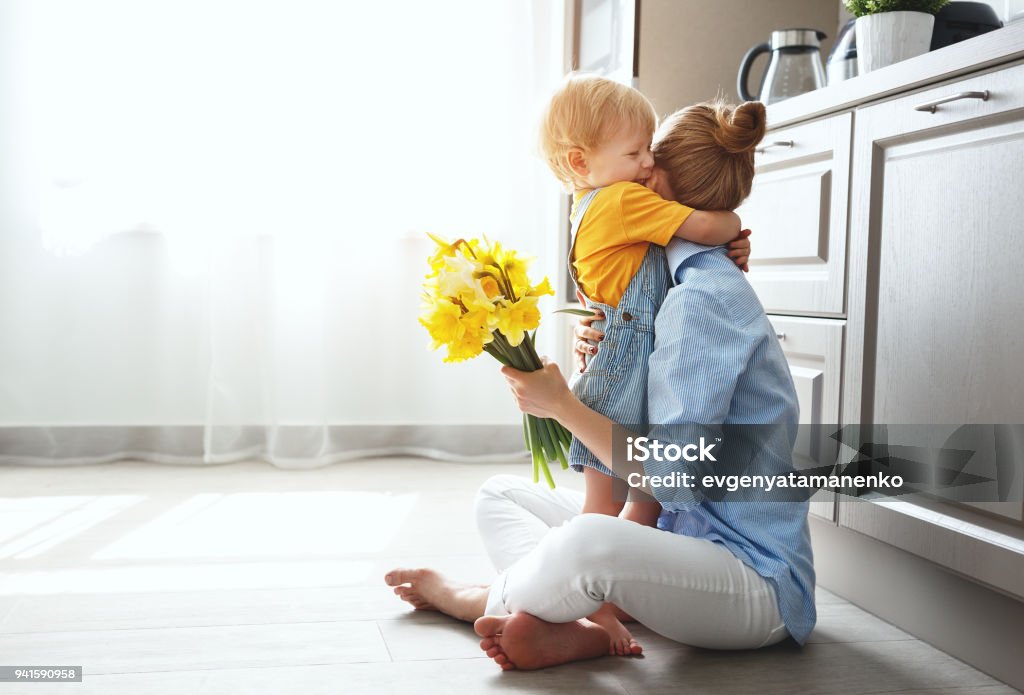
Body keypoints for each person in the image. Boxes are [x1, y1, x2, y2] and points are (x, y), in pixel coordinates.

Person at [385, 99, 816, 670]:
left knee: (588, 541)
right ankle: (578, 622)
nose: (633, 169)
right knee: (502, 494)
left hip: (749, 579)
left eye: (644, 155)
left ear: (655, 184)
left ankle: (472, 600)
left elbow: (671, 476)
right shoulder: (670, 280)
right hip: (677, 543)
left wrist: (561, 404)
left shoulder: (702, 300)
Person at [537, 74, 753, 653]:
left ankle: (590, 604)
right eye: (635, 152)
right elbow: (703, 224)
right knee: (635, 502)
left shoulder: (586, 206)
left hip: (613, 359)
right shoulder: (624, 199)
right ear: (581, 161)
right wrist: (732, 223)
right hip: (627, 369)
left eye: (650, 148)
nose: (647, 161)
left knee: (607, 503)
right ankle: (585, 605)